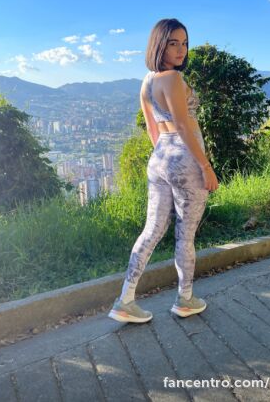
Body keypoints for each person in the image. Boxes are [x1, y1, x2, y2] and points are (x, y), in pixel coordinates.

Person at [109, 18, 219, 323]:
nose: (181, 50)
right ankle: (185, 299)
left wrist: (165, 159)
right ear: (159, 45)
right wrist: (205, 166)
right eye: (173, 43)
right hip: (185, 158)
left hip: (160, 157)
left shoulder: (147, 81)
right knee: (185, 235)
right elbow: (183, 125)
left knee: (152, 230)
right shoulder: (172, 78)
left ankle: (125, 300)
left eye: (184, 43)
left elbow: (152, 128)